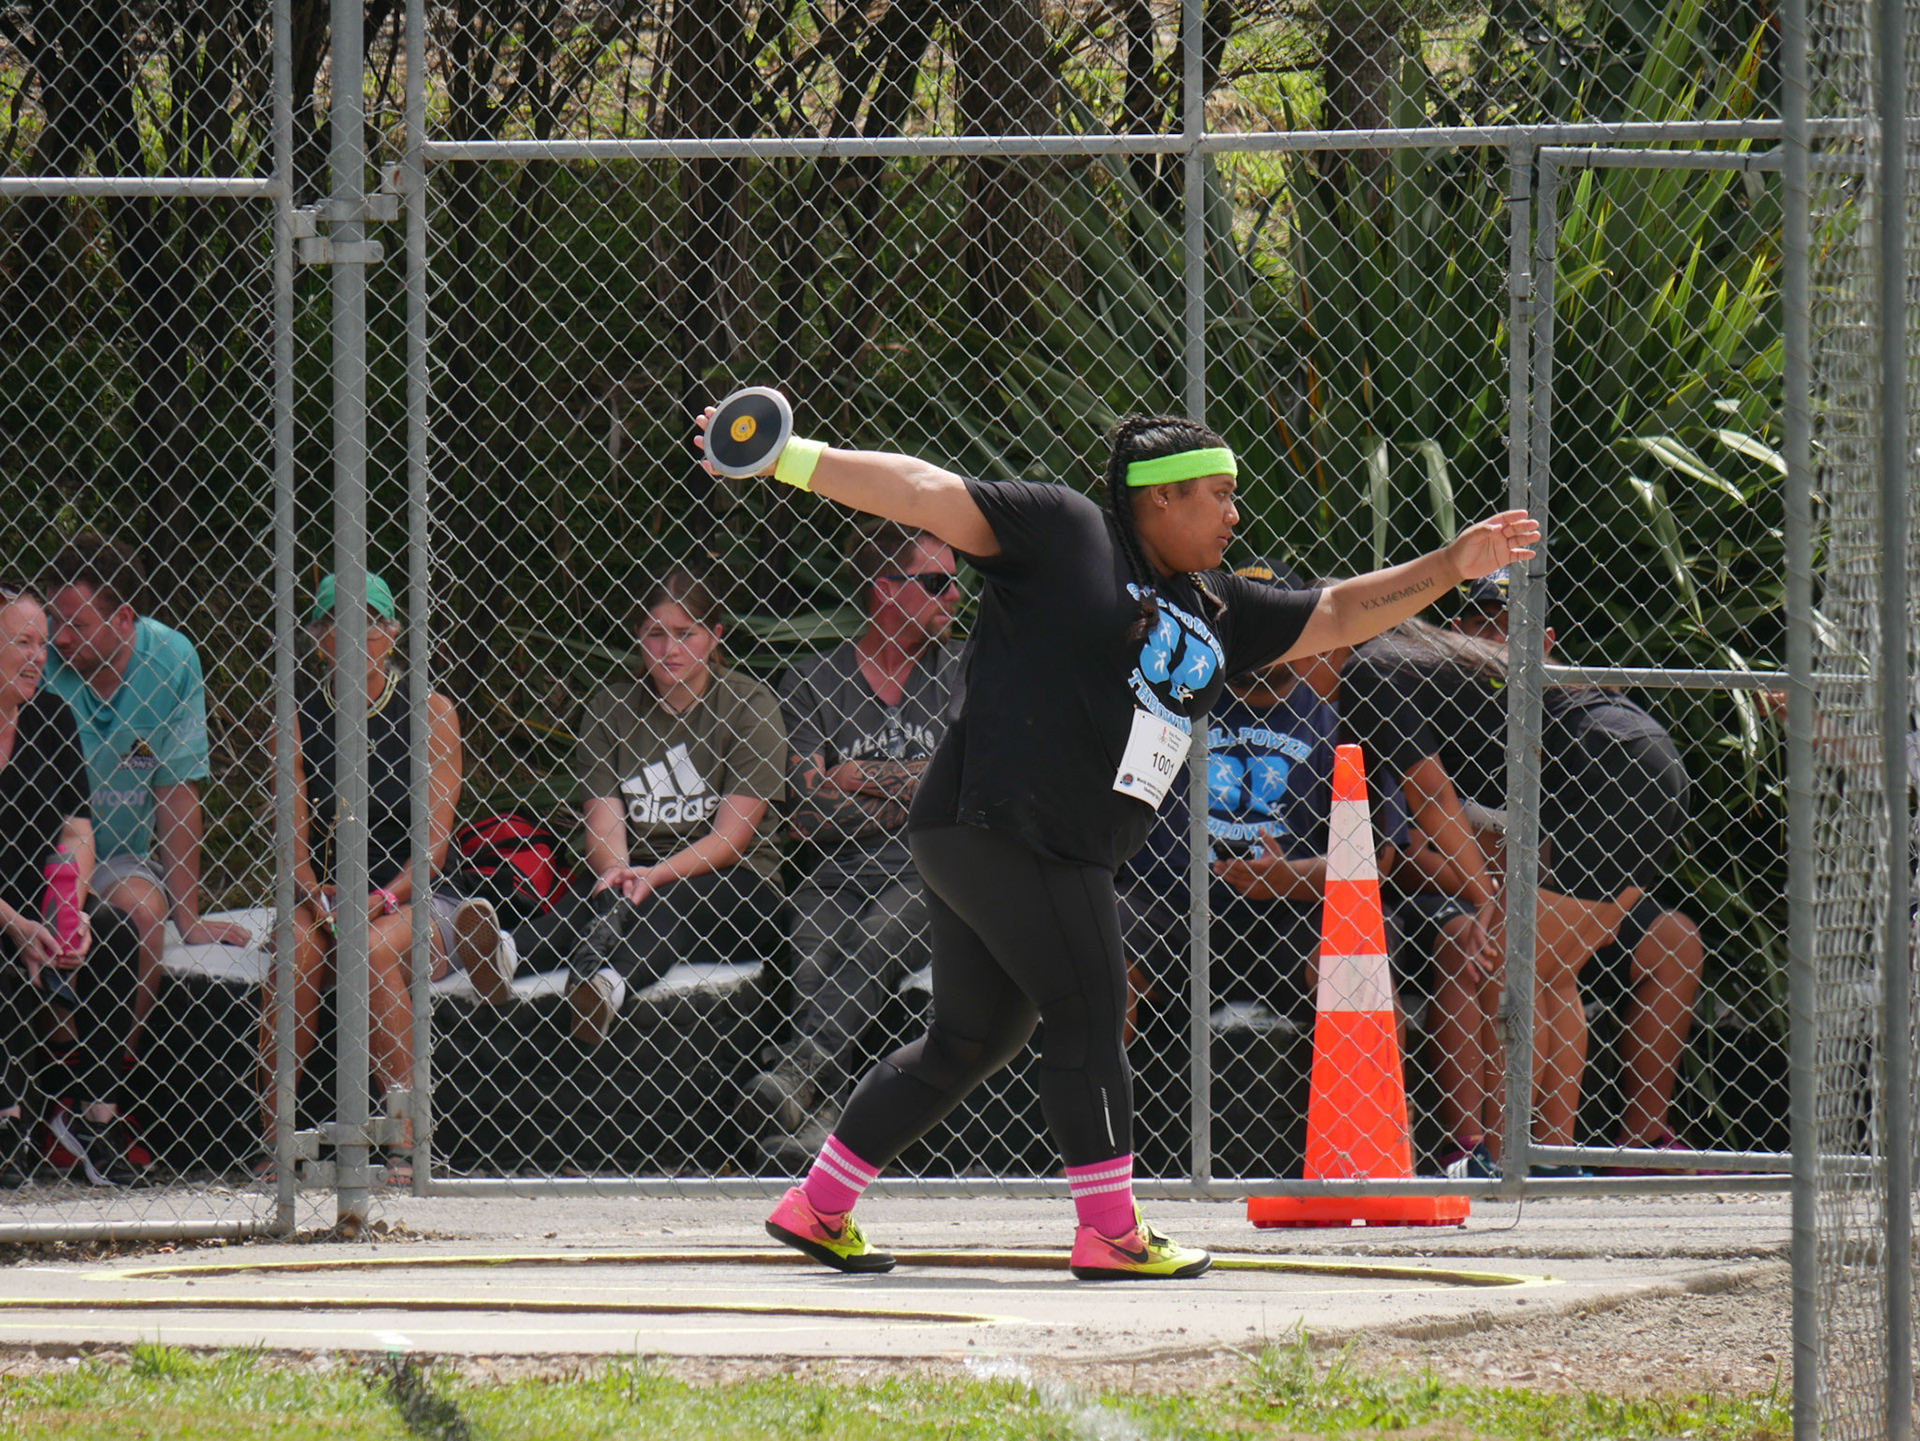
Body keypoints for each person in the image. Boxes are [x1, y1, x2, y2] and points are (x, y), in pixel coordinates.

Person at [694, 403, 1536, 1280]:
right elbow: (922, 491)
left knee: (970, 1038)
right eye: (1218, 494)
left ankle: (818, 1203)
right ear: (1160, 497)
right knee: (1091, 1012)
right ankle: (1110, 1231)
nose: (1235, 513)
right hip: (1010, 825)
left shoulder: (1215, 604)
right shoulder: (1066, 533)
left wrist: (1451, 564)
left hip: (1021, 840)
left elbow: (1337, 609)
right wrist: (787, 455)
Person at [477, 566, 790, 1048]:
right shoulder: (612, 708)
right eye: (655, 634)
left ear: (715, 636)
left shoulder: (750, 705)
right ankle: (505, 955)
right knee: (596, 894)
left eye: (686, 634)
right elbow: (604, 828)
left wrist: (652, 876)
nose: (669, 650)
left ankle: (607, 987)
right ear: (638, 636)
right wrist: (618, 873)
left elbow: (731, 839)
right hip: (639, 869)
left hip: (738, 882)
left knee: (667, 901)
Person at [1452, 571, 1703, 1166]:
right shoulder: (1470, 700)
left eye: (1513, 627)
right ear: (1457, 630)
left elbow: (1487, 831)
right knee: (1552, 971)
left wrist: (1493, 901)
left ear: (1545, 641)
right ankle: (1549, 1154)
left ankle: (1508, 1158)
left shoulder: (1495, 702)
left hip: (1617, 767)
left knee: (1510, 963)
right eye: (1483, 624)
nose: (1496, 639)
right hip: (1653, 766)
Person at [749, 519, 962, 1167]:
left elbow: (972, 787)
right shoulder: (813, 681)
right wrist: (922, 785)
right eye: (937, 582)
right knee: (814, 963)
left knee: (874, 938)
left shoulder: (964, 671)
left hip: (933, 872)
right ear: (885, 588)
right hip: (833, 871)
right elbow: (806, 813)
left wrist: (854, 775)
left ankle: (799, 1073)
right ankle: (821, 1122)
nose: (955, 595)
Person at [39, 536, 253, 1174]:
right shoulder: (36, 658)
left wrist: (190, 916)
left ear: (124, 619)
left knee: (143, 912)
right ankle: (52, 1090)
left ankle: (98, 1093)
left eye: (77, 625)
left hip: (116, 856)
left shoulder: (172, 659)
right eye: (54, 622)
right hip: (39, 849)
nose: (59, 639)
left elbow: (177, 791)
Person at [260, 572, 469, 1184]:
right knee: (296, 949)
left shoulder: (430, 712)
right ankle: (278, 1138)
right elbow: (293, 846)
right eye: (337, 624)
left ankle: (405, 1140)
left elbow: (431, 851)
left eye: (370, 624)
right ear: (318, 637)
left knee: (372, 952)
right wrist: (315, 895)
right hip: (325, 895)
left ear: (392, 633)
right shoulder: (296, 715)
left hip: (411, 894)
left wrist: (380, 897)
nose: (355, 638)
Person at [0, 583, 145, 1186]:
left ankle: (95, 1118)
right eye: (23, 642)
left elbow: (77, 827)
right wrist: (16, 923)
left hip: (41, 897)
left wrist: (72, 910)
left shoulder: (51, 716)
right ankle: (9, 1123)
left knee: (115, 932)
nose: (39, 656)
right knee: (5, 956)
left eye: (42, 643)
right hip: (4, 911)